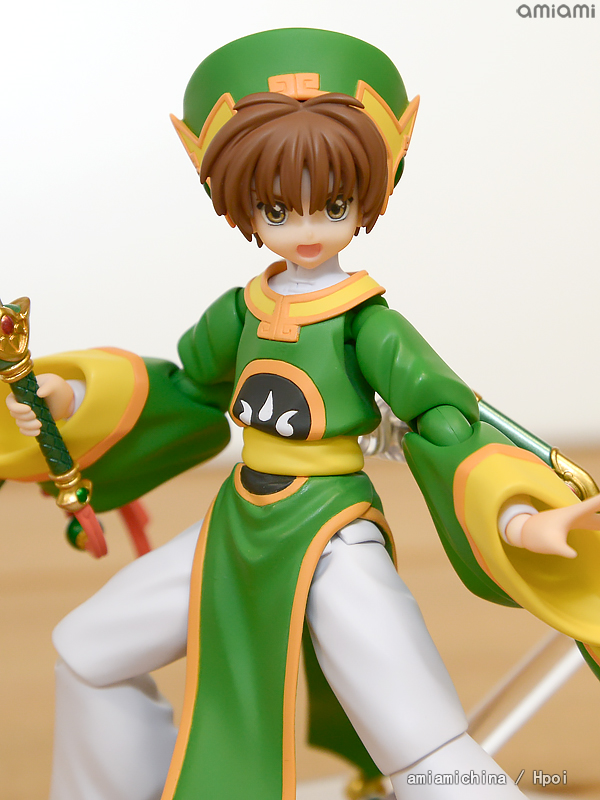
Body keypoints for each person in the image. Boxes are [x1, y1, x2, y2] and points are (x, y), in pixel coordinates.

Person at [6, 28, 600, 800]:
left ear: (369, 195)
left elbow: (445, 419)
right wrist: (71, 402)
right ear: (241, 203)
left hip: (332, 538)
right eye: (278, 207)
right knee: (88, 650)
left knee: (421, 740)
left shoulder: (367, 325)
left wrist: (516, 517)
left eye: (336, 203)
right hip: (238, 527)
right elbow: (185, 392)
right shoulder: (241, 310)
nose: (309, 228)